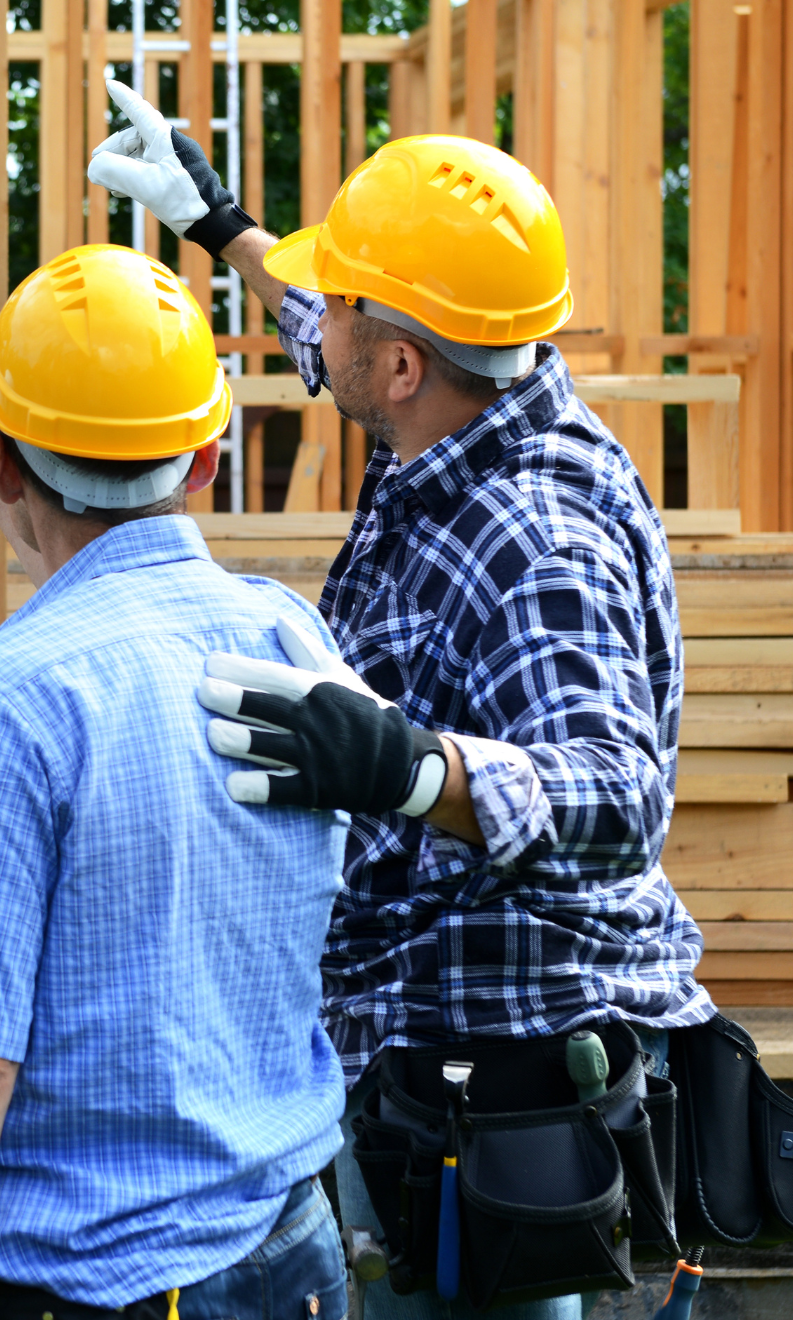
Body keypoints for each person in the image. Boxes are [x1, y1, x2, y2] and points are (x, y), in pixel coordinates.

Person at [84, 83, 714, 1320]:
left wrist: (411, 770)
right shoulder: (457, 402)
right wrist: (216, 224)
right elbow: (329, 324)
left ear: (403, 361)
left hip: (500, 1093)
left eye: (350, 313)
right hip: (413, 1060)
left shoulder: (537, 538)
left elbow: (616, 794)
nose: (317, 330)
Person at [0, 244, 351, 1320]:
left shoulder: (7, 701)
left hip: (96, 1287)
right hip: (290, 1249)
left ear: (10, 468)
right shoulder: (288, 635)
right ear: (208, 458)